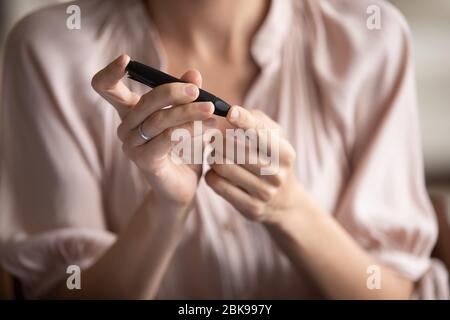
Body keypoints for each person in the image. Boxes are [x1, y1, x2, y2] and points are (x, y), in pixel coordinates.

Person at [0, 0, 448, 299]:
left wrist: (287, 208)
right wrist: (164, 209)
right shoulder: (49, 50)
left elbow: (395, 291)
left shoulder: (372, 38)